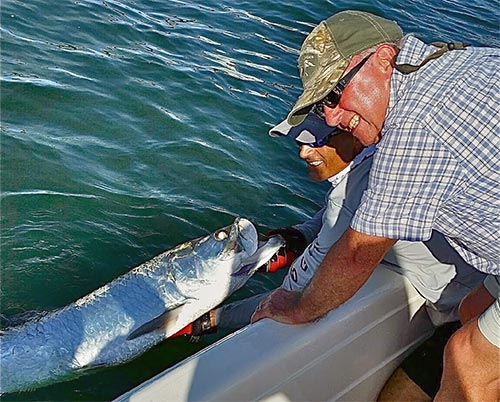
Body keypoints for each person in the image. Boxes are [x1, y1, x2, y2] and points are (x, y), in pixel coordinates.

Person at [251, 10, 499, 401]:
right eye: (321, 104)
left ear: (384, 58)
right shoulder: (456, 61)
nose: (331, 116)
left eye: (334, 94)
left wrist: (297, 308)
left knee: (467, 358)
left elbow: (356, 254)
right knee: (473, 311)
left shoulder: (415, 130)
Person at [174, 113, 483, 346]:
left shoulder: (352, 197)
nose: (303, 153)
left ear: (352, 137)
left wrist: (208, 319)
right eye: (300, 141)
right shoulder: (377, 160)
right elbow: (332, 216)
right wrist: (298, 235)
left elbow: (290, 298)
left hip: (462, 310)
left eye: (315, 141)